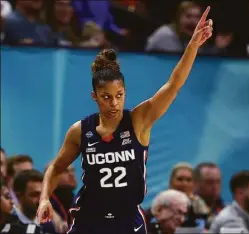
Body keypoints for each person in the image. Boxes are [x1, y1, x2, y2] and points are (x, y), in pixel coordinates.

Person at [37, 7, 213, 234]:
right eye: (106, 97)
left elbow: (173, 84)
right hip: (89, 220)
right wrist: (44, 199)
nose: (114, 103)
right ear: (95, 97)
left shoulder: (139, 120)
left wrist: (192, 46)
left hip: (127, 220)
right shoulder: (80, 130)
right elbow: (56, 167)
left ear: (125, 94)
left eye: (119, 96)